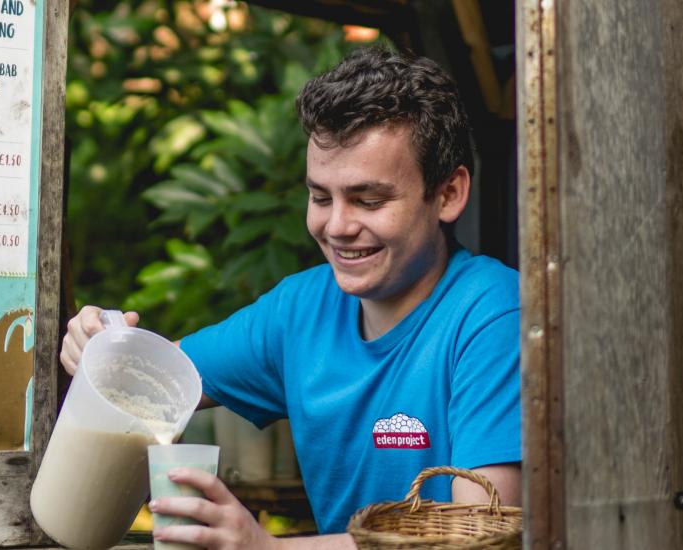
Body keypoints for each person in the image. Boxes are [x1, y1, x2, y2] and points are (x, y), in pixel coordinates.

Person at [59, 47, 522, 549]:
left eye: (368, 200)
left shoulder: (493, 311)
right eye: (321, 197)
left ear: (449, 194)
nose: (338, 227)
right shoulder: (299, 308)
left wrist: (269, 548)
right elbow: (161, 383)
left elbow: (478, 537)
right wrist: (102, 349)